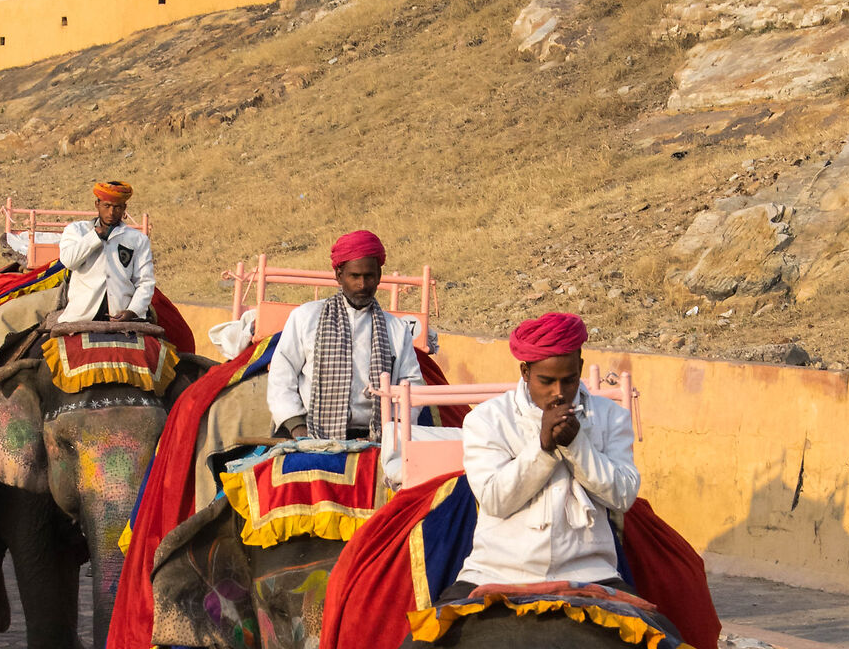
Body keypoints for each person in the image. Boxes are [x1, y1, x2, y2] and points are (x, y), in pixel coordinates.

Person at [454, 311, 639, 588]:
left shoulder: (611, 417)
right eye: (547, 381)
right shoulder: (487, 419)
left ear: (580, 367)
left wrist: (576, 445)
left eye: (569, 379)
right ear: (525, 372)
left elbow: (623, 496)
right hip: (496, 571)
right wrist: (543, 448)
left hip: (589, 573)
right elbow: (494, 500)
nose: (559, 392)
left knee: (650, 619)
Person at [266, 228, 426, 448]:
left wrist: (393, 431)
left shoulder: (396, 329)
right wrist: (297, 427)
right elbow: (281, 374)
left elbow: (412, 384)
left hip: (376, 439)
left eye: (369, 276)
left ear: (379, 276)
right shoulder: (305, 317)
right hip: (309, 435)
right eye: (355, 276)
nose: (362, 285)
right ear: (339, 276)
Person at [58, 180, 155, 321]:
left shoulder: (138, 239)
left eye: (117, 207)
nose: (111, 212)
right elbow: (69, 261)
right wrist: (94, 237)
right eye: (107, 206)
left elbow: (145, 281)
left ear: (124, 208)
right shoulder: (77, 230)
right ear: (97, 204)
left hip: (122, 315)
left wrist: (133, 311)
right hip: (81, 314)